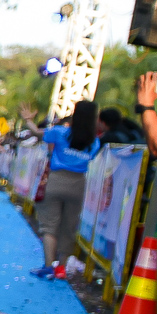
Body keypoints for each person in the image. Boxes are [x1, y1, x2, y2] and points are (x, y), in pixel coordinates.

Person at [32, 99, 102, 279]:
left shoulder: (59, 132)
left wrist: (28, 120)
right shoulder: (94, 142)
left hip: (56, 180)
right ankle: (61, 268)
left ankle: (48, 266)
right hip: (78, 184)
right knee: (69, 227)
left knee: (49, 226)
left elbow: (38, 134)